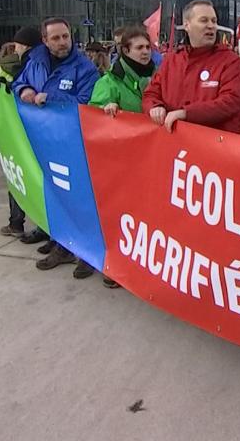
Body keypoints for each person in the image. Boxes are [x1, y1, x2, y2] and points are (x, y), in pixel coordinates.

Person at [13, 17, 100, 275]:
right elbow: (18, 83)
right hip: (44, 142)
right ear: (44, 40)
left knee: (80, 198)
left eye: (66, 36)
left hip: (73, 144)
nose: (63, 42)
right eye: (56, 38)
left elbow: (85, 101)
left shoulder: (84, 68)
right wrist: (24, 90)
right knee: (53, 194)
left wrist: (50, 97)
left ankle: (88, 253)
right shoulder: (35, 61)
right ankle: (62, 244)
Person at [89, 25, 157, 289]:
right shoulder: (108, 82)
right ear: (125, 50)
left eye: (148, 47)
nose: (145, 52)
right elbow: (93, 117)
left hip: (151, 160)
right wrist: (105, 108)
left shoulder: (158, 77)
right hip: (122, 164)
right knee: (120, 215)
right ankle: (115, 266)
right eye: (139, 48)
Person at [142, 0, 240, 135]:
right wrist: (154, 107)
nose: (211, 26)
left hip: (215, 147)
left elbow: (230, 101)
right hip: (174, 143)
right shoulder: (171, 60)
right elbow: (151, 94)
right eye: (204, 20)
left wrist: (186, 114)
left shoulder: (230, 61)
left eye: (214, 21)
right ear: (187, 25)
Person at [0, 28, 42, 240]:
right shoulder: (35, 65)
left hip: (17, 131)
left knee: (17, 176)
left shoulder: (14, 66)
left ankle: (16, 222)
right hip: (33, 130)